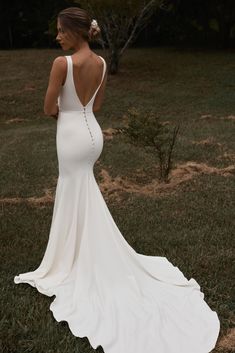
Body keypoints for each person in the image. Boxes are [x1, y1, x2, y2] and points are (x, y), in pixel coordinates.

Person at [14, 6, 220, 353]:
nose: (57, 36)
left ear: (77, 32)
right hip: (93, 134)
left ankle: (70, 259)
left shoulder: (61, 64)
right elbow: (96, 106)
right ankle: (80, 249)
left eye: (62, 30)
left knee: (72, 189)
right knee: (83, 191)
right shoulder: (102, 63)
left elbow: (49, 108)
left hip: (70, 136)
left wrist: (64, 113)